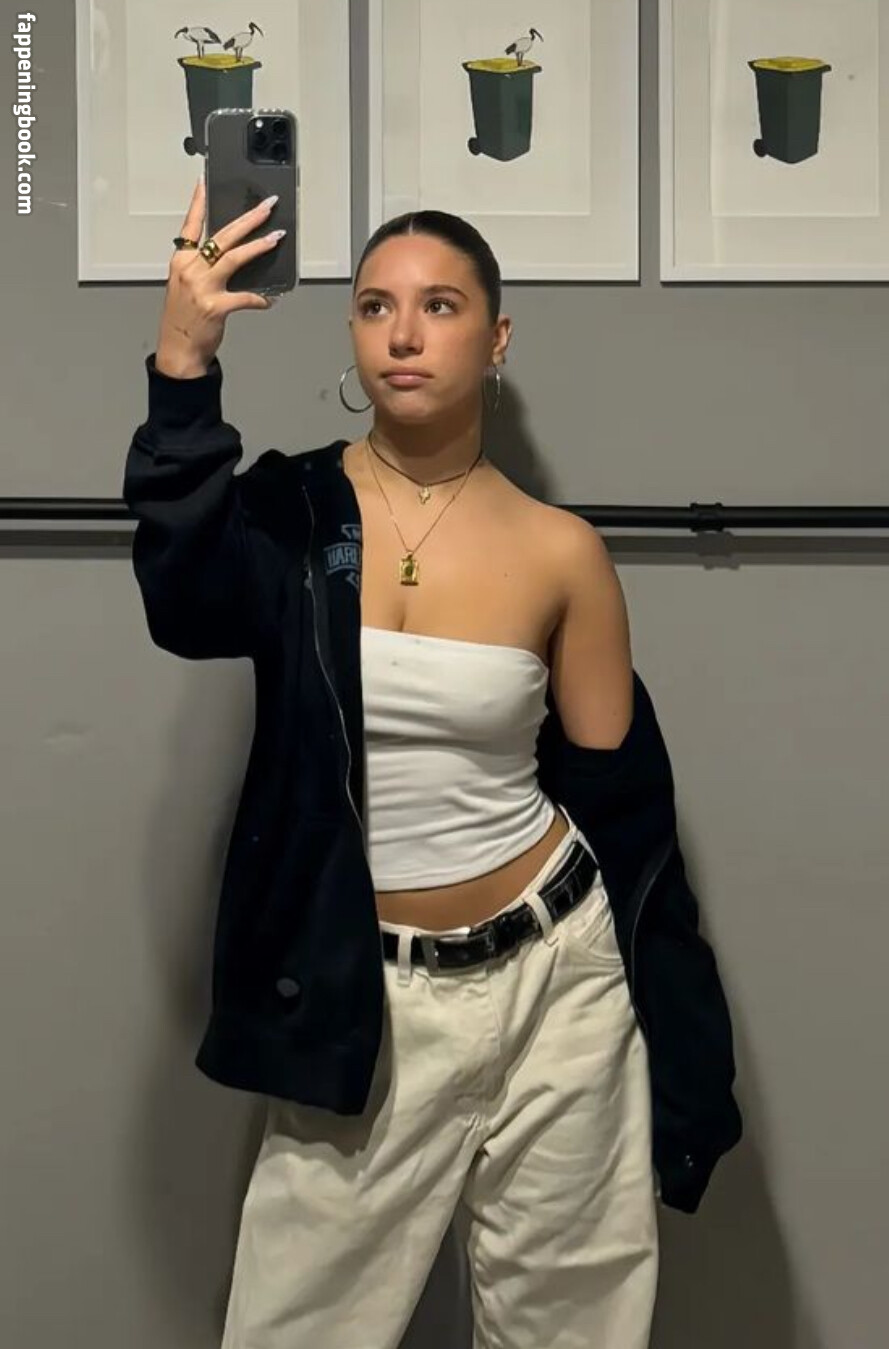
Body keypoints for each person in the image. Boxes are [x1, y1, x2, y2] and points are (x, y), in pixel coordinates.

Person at [124, 178, 739, 1349]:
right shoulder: (293, 511)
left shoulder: (560, 550)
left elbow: (626, 811)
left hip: (558, 979)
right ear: (353, 333)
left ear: (496, 339)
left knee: (571, 1327)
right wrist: (184, 359)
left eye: (440, 306)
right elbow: (183, 600)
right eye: (375, 306)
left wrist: (685, 1038)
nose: (403, 333)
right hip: (365, 991)